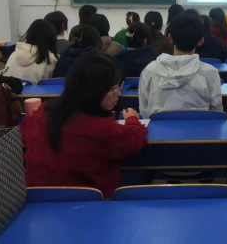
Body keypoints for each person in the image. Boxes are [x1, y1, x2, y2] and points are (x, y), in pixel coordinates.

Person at [20, 52, 147, 198]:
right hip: (87, 205)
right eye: (113, 89)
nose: (119, 93)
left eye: (119, 87)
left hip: (37, 201)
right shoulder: (100, 128)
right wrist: (132, 119)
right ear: (93, 90)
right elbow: (133, 140)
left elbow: (24, 133)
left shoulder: (44, 111)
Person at [139, 13, 222, 118]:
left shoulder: (149, 71)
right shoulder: (210, 73)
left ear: (169, 37)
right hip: (199, 128)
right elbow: (217, 114)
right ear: (201, 41)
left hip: (157, 129)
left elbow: (144, 112)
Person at [5, 19, 58, 84]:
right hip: (37, 90)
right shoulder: (50, 58)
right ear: (51, 39)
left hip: (10, 90)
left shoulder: (14, 54)